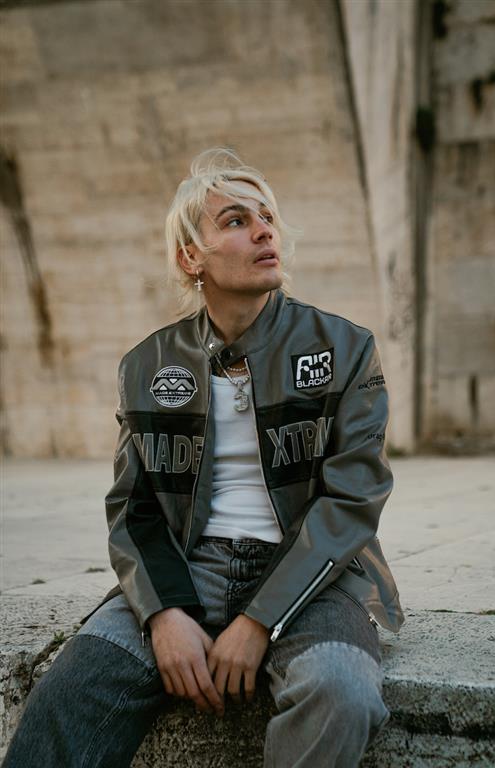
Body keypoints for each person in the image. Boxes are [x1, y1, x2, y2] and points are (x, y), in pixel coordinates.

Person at [5, 148, 404, 767]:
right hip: (187, 569)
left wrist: (259, 621)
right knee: (68, 694)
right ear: (191, 256)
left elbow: (352, 500)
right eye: (237, 220)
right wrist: (163, 612)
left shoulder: (345, 348)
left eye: (267, 217)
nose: (264, 231)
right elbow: (133, 509)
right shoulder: (148, 364)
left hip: (315, 579)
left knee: (341, 693)